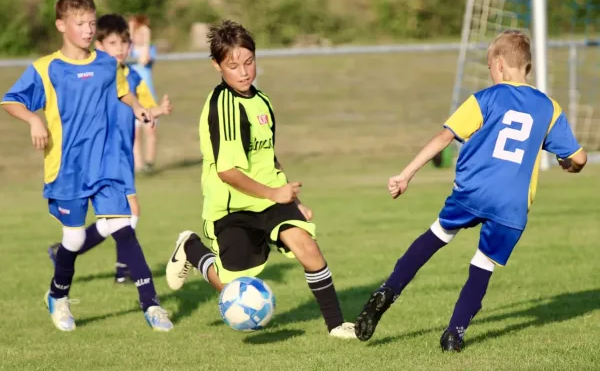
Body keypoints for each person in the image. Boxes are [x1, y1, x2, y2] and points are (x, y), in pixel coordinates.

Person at [353, 30, 587, 351]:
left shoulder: (486, 98)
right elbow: (579, 158)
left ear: (500, 64)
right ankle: (455, 333)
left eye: (490, 67)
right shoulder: (548, 107)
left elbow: (444, 137)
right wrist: (569, 164)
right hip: (512, 205)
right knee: (483, 266)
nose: (491, 74)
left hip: (473, 191)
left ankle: (388, 291)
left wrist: (406, 174)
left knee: (436, 236)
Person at [164, 20, 356, 339]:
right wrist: (273, 194)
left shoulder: (262, 100)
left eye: (249, 62)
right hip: (232, 207)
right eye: (233, 65)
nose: (243, 72)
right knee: (231, 289)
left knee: (307, 247)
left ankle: (337, 325)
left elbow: (268, 157)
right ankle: (193, 249)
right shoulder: (223, 107)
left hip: (270, 197)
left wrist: (293, 200)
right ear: (217, 66)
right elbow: (227, 171)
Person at [1, 0, 173, 332]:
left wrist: (138, 107)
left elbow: (123, 89)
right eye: (80, 23)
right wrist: (34, 120)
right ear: (61, 24)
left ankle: (152, 306)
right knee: (75, 240)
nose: (88, 29)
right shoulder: (46, 68)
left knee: (124, 229)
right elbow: (10, 100)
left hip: (106, 166)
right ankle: (58, 296)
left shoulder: (108, 63)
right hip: (67, 169)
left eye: (92, 23)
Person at [47, 13, 172, 284]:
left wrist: (157, 111)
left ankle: (67, 252)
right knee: (130, 211)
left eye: (125, 43)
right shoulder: (94, 76)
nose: (121, 49)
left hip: (122, 156)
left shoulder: (135, 77)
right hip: (101, 157)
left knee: (121, 215)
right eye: (113, 43)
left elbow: (143, 110)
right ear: (99, 46)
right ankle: (122, 268)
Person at [128, 14, 159, 174]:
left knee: (150, 130)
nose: (139, 37)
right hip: (134, 96)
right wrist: (132, 29)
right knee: (135, 134)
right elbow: (129, 47)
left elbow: (145, 59)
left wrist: (146, 37)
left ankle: (149, 164)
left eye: (142, 33)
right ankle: (138, 166)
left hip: (148, 95)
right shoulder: (129, 50)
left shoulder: (150, 49)